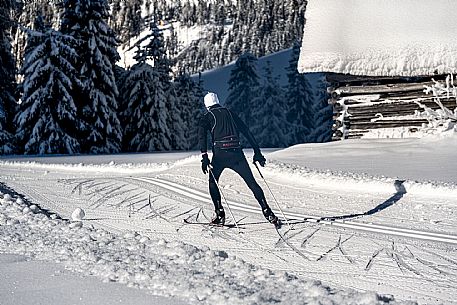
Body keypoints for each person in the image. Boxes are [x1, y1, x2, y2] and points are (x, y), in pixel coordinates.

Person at [198, 92, 279, 226]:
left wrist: (204, 157)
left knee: (213, 182)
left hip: (220, 155)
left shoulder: (207, 117)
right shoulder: (230, 113)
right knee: (252, 183)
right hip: (237, 153)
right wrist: (257, 152)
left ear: (207, 105)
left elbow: (201, 137)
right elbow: (246, 131)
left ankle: (220, 214)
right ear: (218, 101)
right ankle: (268, 212)